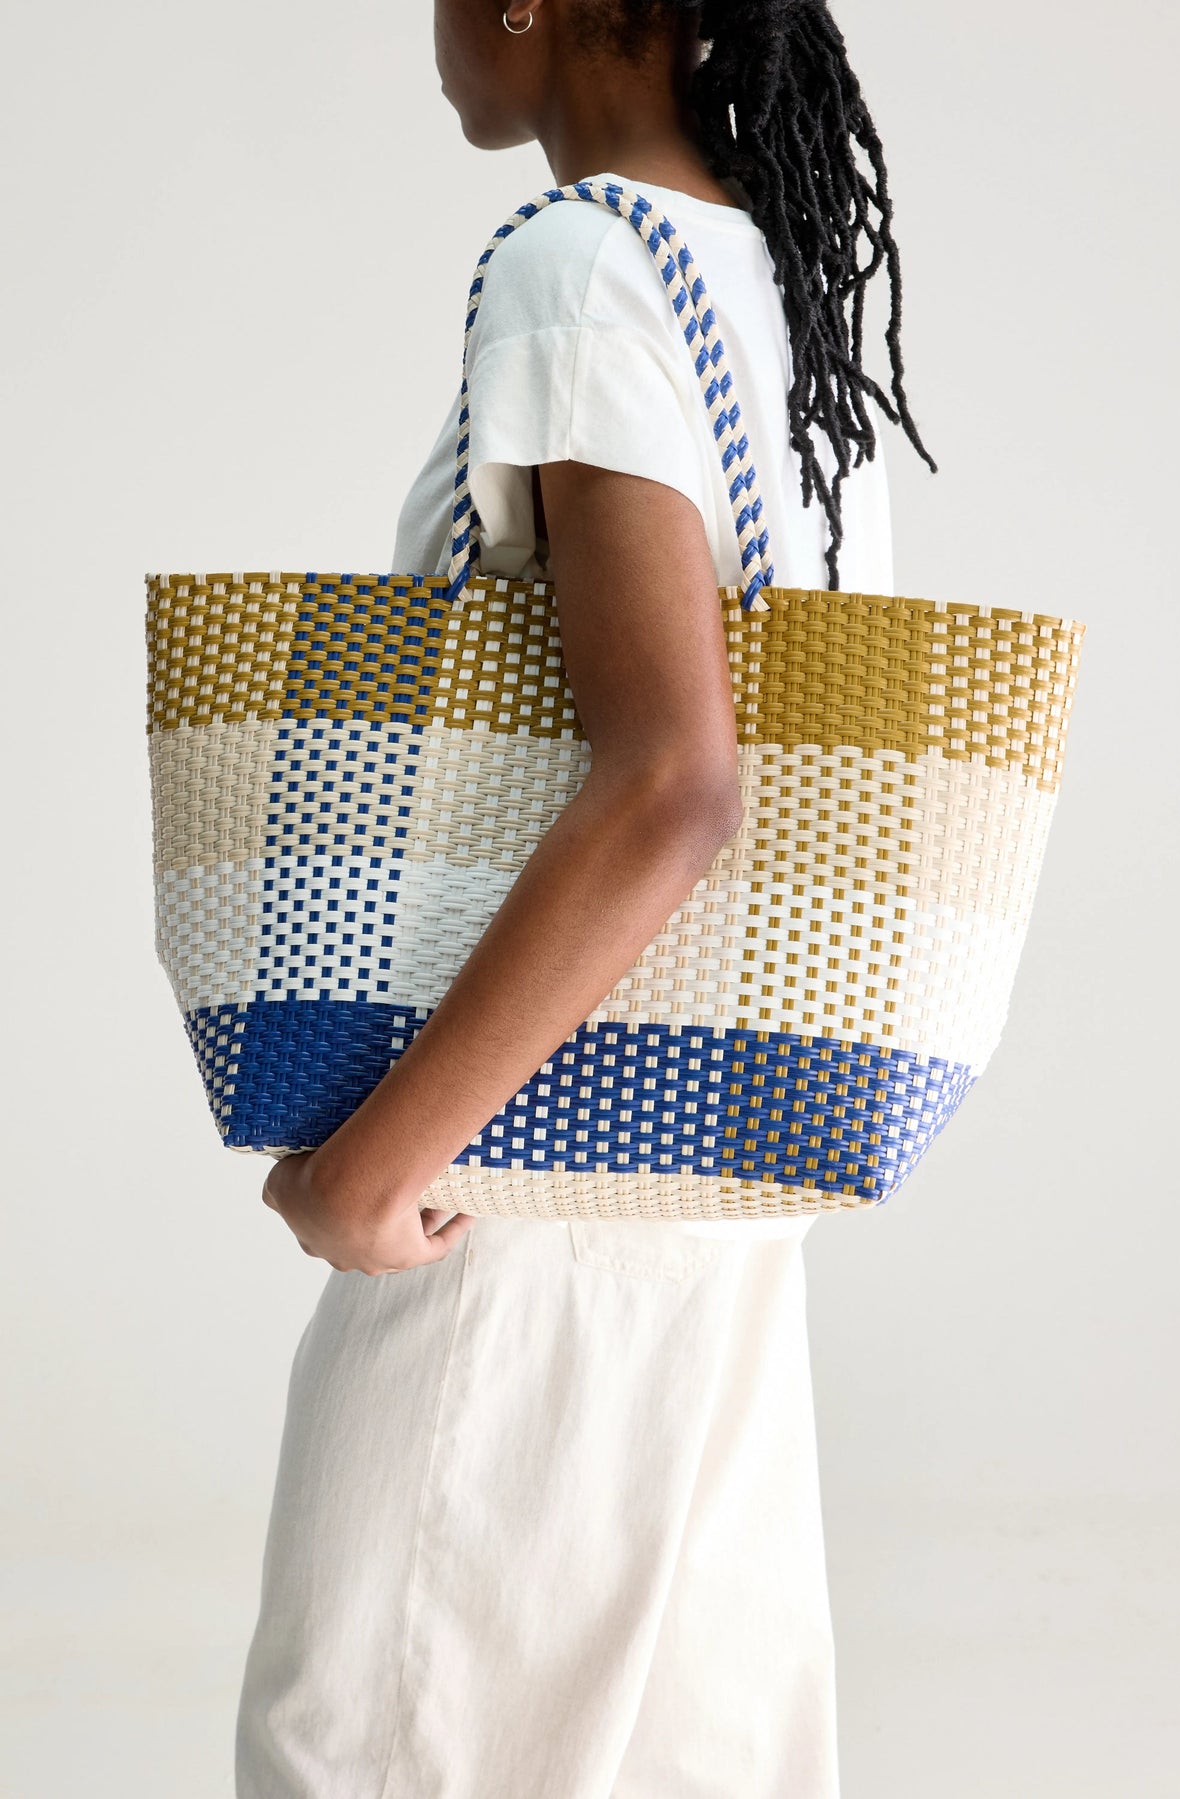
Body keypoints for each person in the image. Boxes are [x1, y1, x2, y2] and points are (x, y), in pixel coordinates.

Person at [235, 1, 936, 1794]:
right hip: (716, 1189)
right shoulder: (769, 281)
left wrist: (372, 1168)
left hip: (522, 1196)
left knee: (372, 1739)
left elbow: (671, 779)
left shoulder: (578, 266)